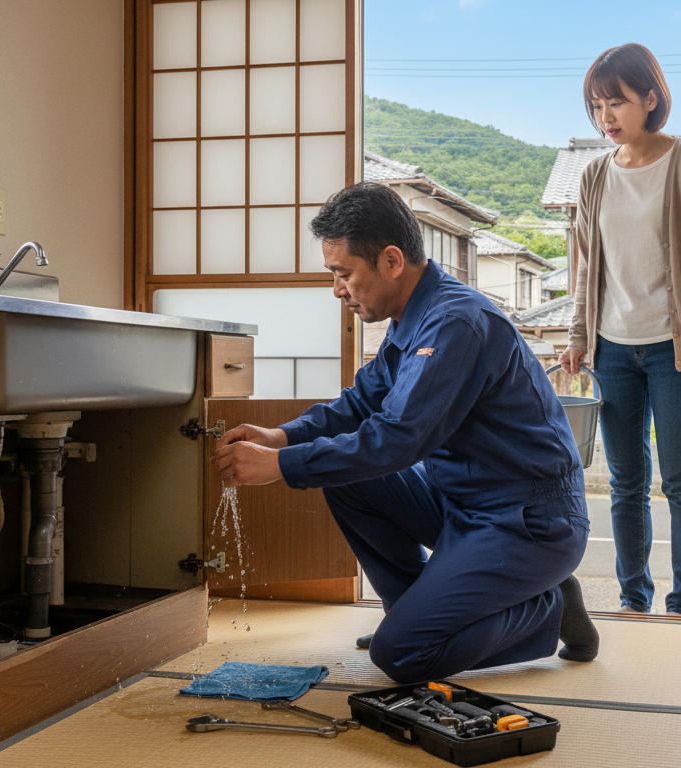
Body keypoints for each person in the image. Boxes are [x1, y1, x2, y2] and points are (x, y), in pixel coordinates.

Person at [212, 182, 598, 683]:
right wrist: (281, 437)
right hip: (463, 507)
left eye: (343, 274)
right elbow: (358, 404)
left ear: (392, 261)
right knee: (347, 477)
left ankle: (546, 607)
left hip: (529, 522)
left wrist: (282, 467)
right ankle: (416, 613)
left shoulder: (458, 323)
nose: (337, 290)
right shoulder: (407, 321)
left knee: (402, 656)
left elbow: (398, 439)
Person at [558, 43, 681, 617]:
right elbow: (584, 266)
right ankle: (634, 599)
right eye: (596, 105)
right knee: (625, 482)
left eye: (617, 102)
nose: (605, 116)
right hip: (612, 349)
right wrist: (580, 335)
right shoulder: (593, 175)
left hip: (677, 348)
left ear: (651, 98)